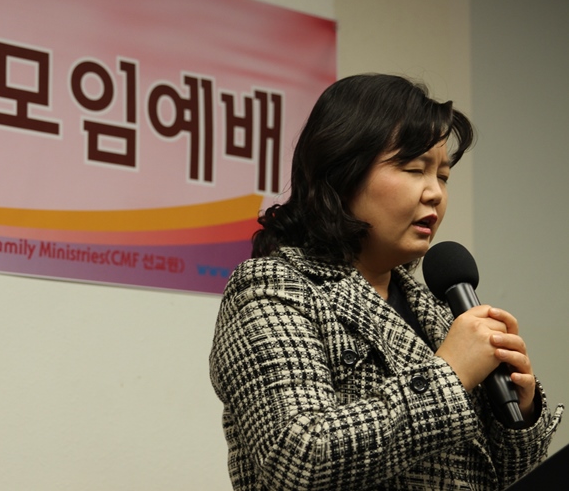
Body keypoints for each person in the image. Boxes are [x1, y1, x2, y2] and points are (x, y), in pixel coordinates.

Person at [209, 73, 563, 490]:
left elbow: (487, 476)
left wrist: (518, 413)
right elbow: (299, 457)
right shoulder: (272, 288)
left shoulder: (437, 311)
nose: (435, 193)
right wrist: (450, 375)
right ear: (342, 171)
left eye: (443, 176)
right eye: (414, 169)